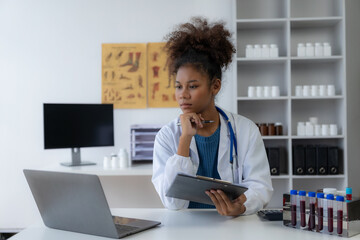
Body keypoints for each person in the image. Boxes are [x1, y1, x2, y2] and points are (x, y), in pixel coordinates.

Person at [152, 17, 273, 216]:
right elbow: (172, 202)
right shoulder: (167, 136)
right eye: (178, 86)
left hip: (232, 226)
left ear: (215, 86)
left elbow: (260, 186)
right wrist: (185, 140)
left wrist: (241, 206)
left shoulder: (245, 130)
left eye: (192, 86)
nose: (183, 94)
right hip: (185, 228)